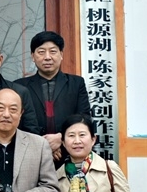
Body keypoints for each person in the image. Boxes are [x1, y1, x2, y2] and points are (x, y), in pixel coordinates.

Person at [14, 31, 91, 166]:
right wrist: (45, 145)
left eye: (53, 51)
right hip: (31, 155)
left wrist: (61, 138)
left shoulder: (76, 83)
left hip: (69, 154)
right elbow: (18, 122)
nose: (47, 57)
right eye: (41, 52)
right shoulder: (20, 86)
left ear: (61, 55)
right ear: (33, 56)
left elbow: (84, 118)